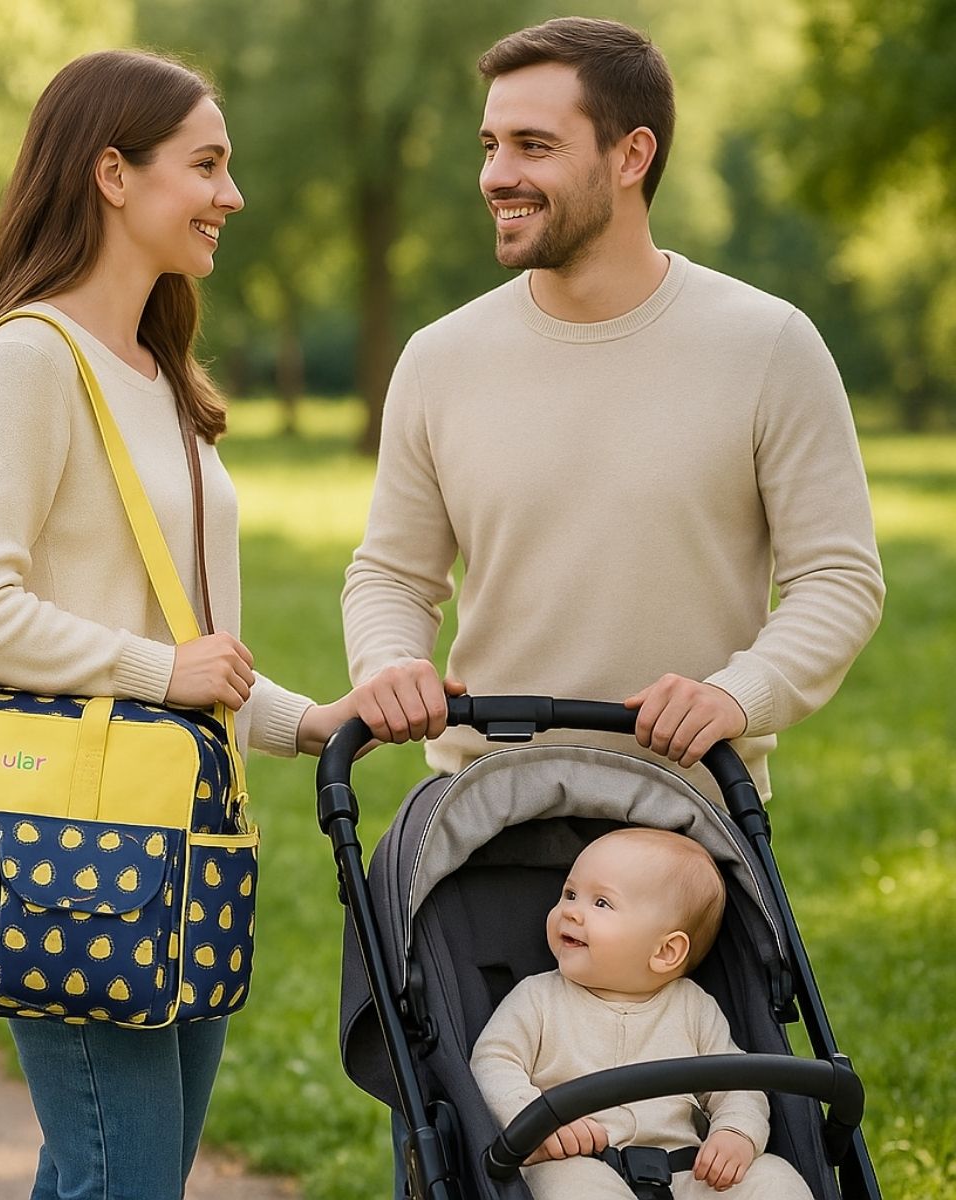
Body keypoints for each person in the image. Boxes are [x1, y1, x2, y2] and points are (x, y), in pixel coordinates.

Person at [0, 50, 362, 1200]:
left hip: (185, 835)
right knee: (124, 1181)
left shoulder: (163, 377)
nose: (233, 195)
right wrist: (158, 670)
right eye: (207, 166)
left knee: (120, 1174)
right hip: (72, 838)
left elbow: (186, 644)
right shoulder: (32, 357)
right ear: (111, 174)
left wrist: (310, 723)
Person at [342, 16, 884, 803]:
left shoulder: (768, 346)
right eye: (490, 145)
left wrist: (740, 693)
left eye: (535, 145)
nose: (497, 174)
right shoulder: (439, 358)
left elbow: (839, 578)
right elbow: (391, 573)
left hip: (687, 817)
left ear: (631, 155)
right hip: (481, 810)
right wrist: (389, 663)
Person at [470, 828, 813, 1198]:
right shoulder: (538, 998)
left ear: (665, 952)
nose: (571, 911)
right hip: (578, 1162)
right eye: (570, 894)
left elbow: (737, 1085)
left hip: (687, 1170)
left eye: (600, 903)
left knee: (774, 1179)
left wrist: (735, 1132)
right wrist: (535, 1119)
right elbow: (493, 1061)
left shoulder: (692, 1007)